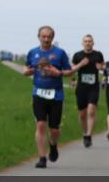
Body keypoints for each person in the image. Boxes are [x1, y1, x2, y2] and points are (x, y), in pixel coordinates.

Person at [23, 26, 76, 168]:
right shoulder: (33, 52)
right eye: (43, 36)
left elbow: (69, 71)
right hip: (38, 93)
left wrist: (57, 73)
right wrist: (26, 72)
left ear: (52, 38)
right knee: (40, 125)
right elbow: (26, 67)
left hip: (56, 95)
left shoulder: (60, 53)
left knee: (54, 130)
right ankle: (42, 158)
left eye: (48, 37)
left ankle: (53, 145)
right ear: (38, 37)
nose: (46, 39)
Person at [71, 35, 105, 147]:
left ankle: (89, 135)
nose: (88, 43)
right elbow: (72, 69)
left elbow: (103, 66)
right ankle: (85, 133)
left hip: (93, 86)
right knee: (82, 114)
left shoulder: (98, 54)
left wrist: (101, 68)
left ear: (93, 43)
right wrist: (81, 64)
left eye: (90, 41)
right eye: (86, 41)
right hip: (81, 87)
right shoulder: (77, 55)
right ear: (82, 43)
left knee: (91, 111)